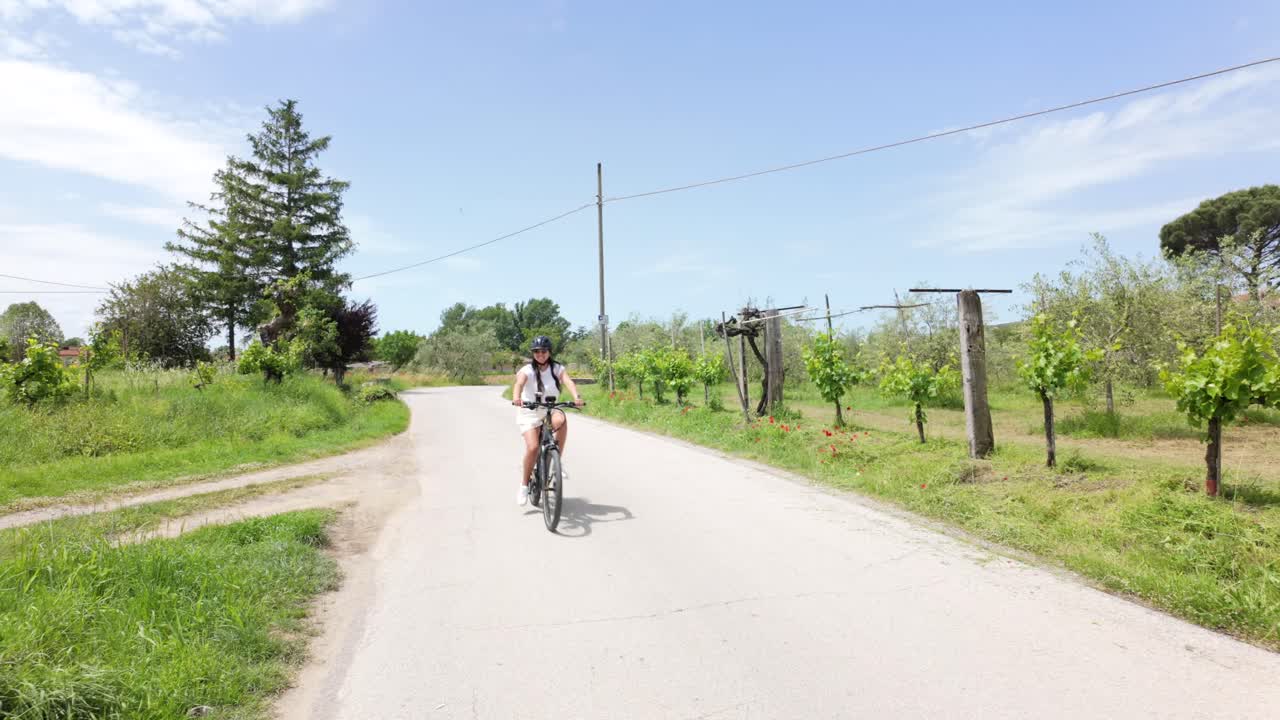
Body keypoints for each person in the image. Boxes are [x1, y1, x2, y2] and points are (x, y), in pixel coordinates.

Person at [511, 335, 583, 505]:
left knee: (562, 420)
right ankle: (523, 485)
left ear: (549, 352)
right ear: (533, 353)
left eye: (543, 351)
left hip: (549, 409)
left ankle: (557, 461)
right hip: (529, 410)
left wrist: (577, 397)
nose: (540, 354)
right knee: (533, 447)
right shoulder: (527, 370)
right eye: (536, 352)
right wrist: (516, 398)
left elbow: (568, 382)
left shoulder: (557, 368)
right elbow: (519, 384)